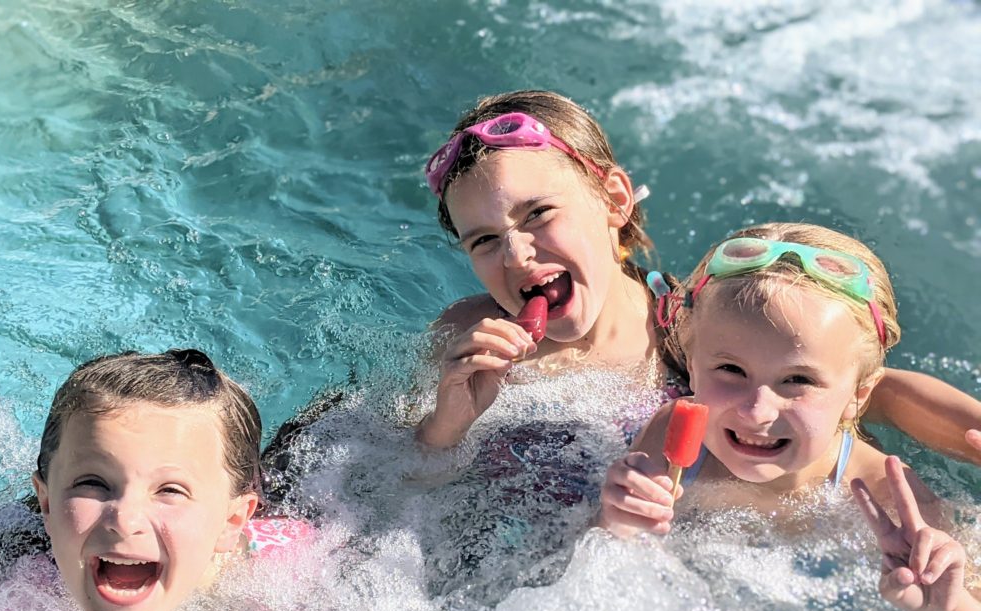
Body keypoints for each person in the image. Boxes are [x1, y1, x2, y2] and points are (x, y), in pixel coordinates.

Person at [415, 89, 981, 463]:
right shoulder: (466, 339)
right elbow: (399, 466)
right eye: (483, 240)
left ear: (614, 201)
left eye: (538, 214)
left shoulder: (688, 322)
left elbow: (866, 391)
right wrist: (448, 423)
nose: (514, 255)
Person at [598, 223, 981, 611]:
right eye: (730, 370)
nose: (756, 411)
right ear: (691, 364)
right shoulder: (670, 436)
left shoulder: (888, 494)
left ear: (859, 394)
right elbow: (602, 580)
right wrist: (616, 521)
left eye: (797, 380)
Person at [32, 348, 310, 611]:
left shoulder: (288, 574)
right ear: (47, 504)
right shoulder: (10, 580)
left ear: (232, 521)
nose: (125, 521)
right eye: (93, 482)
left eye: (170, 490)